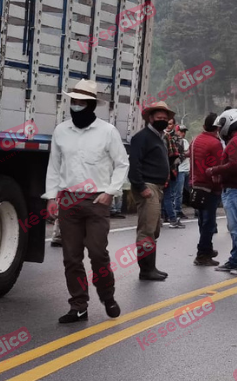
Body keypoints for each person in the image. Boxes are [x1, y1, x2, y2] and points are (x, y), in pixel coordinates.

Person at [44, 79, 129, 323]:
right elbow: (54, 166)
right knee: (71, 257)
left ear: (92, 105)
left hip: (96, 202)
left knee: (97, 253)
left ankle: (107, 296)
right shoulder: (61, 131)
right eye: (74, 101)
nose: (77, 106)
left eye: (82, 102)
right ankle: (79, 305)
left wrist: (111, 191)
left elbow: (122, 163)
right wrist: (52, 196)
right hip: (69, 200)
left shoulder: (107, 132)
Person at [129, 101, 174, 282]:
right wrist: (141, 187)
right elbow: (135, 165)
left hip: (157, 187)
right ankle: (146, 270)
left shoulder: (159, 137)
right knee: (147, 230)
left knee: (154, 229)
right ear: (150, 118)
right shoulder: (142, 137)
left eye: (165, 118)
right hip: (148, 187)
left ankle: (151, 267)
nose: (162, 120)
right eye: (159, 118)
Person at [208, 109, 237, 276]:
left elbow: (235, 165)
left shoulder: (235, 142)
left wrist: (215, 170)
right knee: (235, 228)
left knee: (236, 229)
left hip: (235, 190)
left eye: (221, 125)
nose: (220, 129)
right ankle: (234, 260)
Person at [190, 113, 223, 266]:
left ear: (204, 126)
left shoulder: (195, 140)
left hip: (196, 183)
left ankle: (207, 248)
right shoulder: (215, 144)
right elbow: (217, 169)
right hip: (209, 186)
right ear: (217, 128)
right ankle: (202, 254)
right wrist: (219, 189)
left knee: (202, 220)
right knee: (209, 222)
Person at [160, 118, 185, 229]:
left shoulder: (176, 138)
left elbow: (180, 155)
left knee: (169, 195)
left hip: (172, 170)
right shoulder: (162, 136)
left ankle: (166, 218)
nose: (168, 126)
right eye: (167, 124)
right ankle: (171, 218)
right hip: (164, 170)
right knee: (167, 196)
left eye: (170, 124)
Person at [173, 125, 190, 220]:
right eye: (181, 131)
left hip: (187, 169)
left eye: (184, 131)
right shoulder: (176, 142)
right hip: (180, 170)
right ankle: (177, 210)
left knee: (189, 189)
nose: (183, 133)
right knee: (178, 191)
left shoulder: (185, 141)